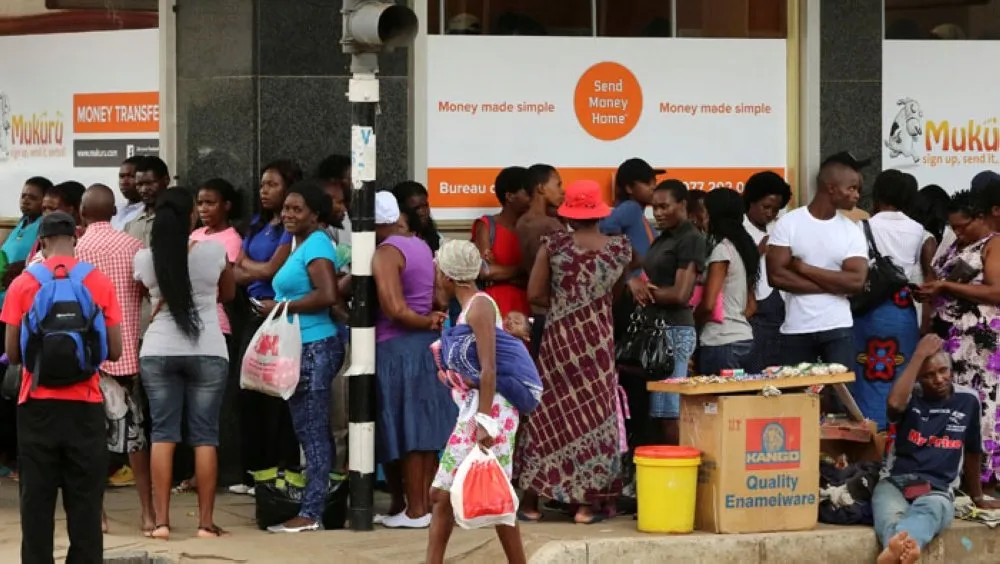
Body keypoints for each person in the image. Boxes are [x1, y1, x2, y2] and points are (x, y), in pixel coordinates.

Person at [1, 211, 123, 563]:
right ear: (77, 237)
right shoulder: (97, 282)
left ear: (40, 241)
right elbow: (113, 351)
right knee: (85, 502)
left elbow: (12, 353)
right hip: (85, 405)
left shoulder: (24, 283)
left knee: (36, 502)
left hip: (36, 404)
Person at [518, 179, 633, 524]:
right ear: (598, 212)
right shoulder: (619, 249)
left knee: (548, 417)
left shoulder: (553, 246)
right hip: (597, 343)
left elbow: (535, 295)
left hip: (559, 342)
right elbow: (615, 295)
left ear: (569, 213)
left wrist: (566, 307)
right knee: (593, 420)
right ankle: (584, 507)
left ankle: (532, 503)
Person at [135, 187, 235, 539]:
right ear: (190, 215)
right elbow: (229, 293)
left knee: (162, 435)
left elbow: (144, 296)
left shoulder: (145, 258)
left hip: (159, 350)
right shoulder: (214, 251)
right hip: (208, 348)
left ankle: (161, 523)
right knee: (205, 437)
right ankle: (205, 524)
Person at [426, 240, 527, 564]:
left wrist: (484, 422)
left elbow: (489, 367)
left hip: (491, 409)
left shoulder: (480, 307)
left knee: (487, 495)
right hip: (481, 407)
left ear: (448, 275)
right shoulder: (469, 308)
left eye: (437, 267)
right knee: (442, 495)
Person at [260, 181, 345, 533]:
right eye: (286, 208)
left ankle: (311, 513)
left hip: (315, 345)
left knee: (311, 433)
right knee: (311, 430)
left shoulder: (318, 244)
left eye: (297, 209)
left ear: (315, 213)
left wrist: (279, 305)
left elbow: (326, 295)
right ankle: (316, 507)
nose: (288, 214)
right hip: (300, 344)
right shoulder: (301, 243)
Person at [873, 334, 1000, 564]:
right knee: (887, 513)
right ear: (919, 378)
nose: (939, 379)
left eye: (943, 371)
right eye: (929, 375)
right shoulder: (909, 395)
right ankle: (904, 549)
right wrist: (918, 354)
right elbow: (894, 405)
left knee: (932, 511)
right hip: (894, 482)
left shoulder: (968, 400)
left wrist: (978, 496)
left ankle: (896, 549)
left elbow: (972, 450)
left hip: (938, 488)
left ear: (951, 369)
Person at [372, 191, 456, 528]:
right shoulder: (420, 244)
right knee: (418, 426)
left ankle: (416, 509)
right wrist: (433, 319)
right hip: (424, 346)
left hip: (398, 346)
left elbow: (394, 309)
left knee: (406, 428)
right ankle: (408, 507)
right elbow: (437, 294)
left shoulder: (386, 252)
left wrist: (426, 320)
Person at [76, 185, 151, 534]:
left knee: (92, 442)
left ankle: (99, 516)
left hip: (90, 363)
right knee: (136, 439)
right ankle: (149, 513)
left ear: (82, 212)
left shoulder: (76, 251)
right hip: (127, 360)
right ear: (113, 212)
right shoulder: (134, 247)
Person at [921, 189, 1000, 486]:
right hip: (950, 340)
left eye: (963, 226)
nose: (957, 232)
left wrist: (946, 288)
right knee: (952, 403)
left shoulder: (993, 244)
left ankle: (983, 476)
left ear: (981, 218)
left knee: (981, 404)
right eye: (953, 226)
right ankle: (952, 472)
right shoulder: (956, 244)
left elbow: (996, 291)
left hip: (978, 344)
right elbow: (940, 279)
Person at [172, 178, 244, 495]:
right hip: (187, 329)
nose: (203, 209)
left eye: (210, 202)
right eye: (200, 203)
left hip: (217, 326)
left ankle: (222, 472)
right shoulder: (195, 235)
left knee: (216, 407)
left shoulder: (231, 240)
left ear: (226, 205)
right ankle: (194, 472)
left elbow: (223, 286)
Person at [233, 160, 301, 493]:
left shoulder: (292, 230)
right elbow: (236, 270)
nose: (264, 191)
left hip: (279, 315)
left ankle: (281, 470)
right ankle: (254, 472)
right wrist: (254, 270)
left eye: (272, 184)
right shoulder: (257, 225)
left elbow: (274, 271)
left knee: (278, 396)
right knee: (250, 393)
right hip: (251, 314)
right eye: (262, 184)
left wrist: (252, 269)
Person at [766, 152, 869, 369]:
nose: (857, 195)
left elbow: (855, 283)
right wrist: (833, 285)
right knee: (798, 400)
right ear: (831, 188)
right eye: (851, 188)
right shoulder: (789, 223)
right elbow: (775, 276)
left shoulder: (852, 231)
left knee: (841, 400)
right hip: (796, 328)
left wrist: (805, 268)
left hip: (837, 328)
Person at [851, 170, 925, 430]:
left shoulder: (862, 227)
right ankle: (900, 434)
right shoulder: (920, 232)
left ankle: (870, 433)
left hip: (868, 311)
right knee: (902, 371)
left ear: (877, 194)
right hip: (902, 313)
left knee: (865, 372)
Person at [634, 180, 705, 445]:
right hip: (656, 330)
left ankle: (675, 472)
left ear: (683, 205)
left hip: (674, 331)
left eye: (665, 206)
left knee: (669, 412)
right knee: (657, 410)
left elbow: (680, 294)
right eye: (654, 208)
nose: (658, 213)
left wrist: (645, 292)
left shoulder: (690, 239)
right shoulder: (665, 238)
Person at [0, 176, 47, 477]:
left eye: (32, 196)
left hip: (26, 315)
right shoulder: (20, 225)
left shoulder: (42, 227)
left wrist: (14, 272)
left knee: (16, 383)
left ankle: (18, 455)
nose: (25, 200)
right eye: (23, 195)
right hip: (6, 308)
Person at [697, 188, 759, 374]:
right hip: (744, 339)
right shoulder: (743, 249)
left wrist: (690, 322)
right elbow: (752, 306)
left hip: (720, 342)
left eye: (705, 212)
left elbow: (708, 305)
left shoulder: (722, 251)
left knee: (717, 403)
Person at [741, 171, 792, 373]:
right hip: (755, 306)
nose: (770, 214)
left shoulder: (780, 229)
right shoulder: (739, 230)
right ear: (751, 202)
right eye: (766, 207)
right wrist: (757, 251)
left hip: (781, 304)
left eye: (775, 210)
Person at [514, 164, 565, 357]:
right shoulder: (551, 225)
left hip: (536, 312)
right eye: (558, 185)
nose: (562, 191)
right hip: (554, 310)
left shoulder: (522, 222)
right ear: (541, 188)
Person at [473, 166, 532, 318]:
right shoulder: (486, 225)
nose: (533, 198)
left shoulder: (534, 228)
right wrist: (523, 270)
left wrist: (501, 272)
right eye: (528, 192)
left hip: (528, 305)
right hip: (496, 305)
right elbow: (485, 271)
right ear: (510, 196)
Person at [393, 181, 443, 253]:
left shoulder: (437, 238)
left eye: (425, 205)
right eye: (416, 208)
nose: (423, 212)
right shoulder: (393, 243)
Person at [112, 155, 146, 230]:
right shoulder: (115, 210)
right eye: (121, 176)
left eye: (131, 176)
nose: (124, 182)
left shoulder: (148, 213)